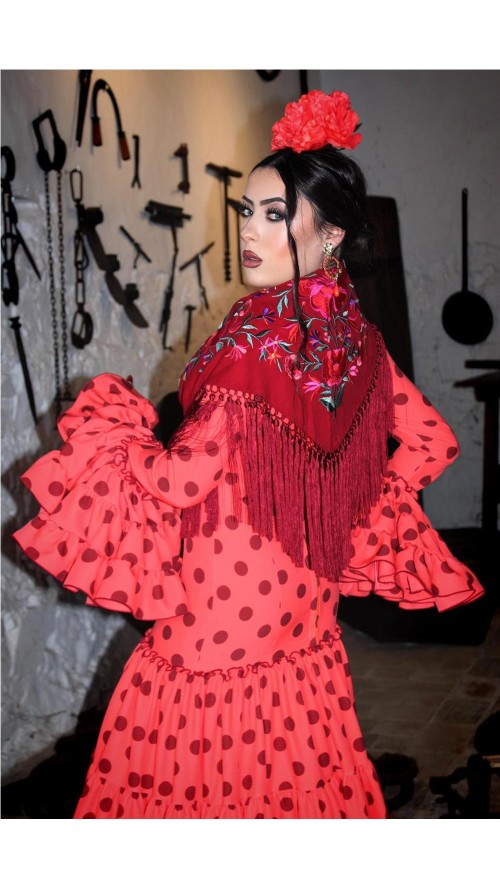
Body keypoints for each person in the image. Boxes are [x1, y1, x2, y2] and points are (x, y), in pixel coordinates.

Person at [13, 90, 484, 819]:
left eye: (274, 214)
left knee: (188, 779)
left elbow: (179, 482)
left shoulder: (249, 350)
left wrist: (114, 433)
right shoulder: (360, 341)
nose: (249, 232)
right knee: (285, 766)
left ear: (331, 234)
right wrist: (356, 510)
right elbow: (434, 442)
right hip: (305, 608)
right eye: (245, 211)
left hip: (220, 621)